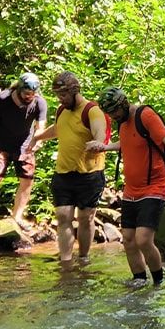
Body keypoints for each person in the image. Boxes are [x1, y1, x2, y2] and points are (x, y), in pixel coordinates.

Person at [87, 87, 165, 285]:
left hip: (154, 187)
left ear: (124, 104)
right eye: (109, 114)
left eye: (115, 112)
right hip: (131, 190)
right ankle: (139, 280)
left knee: (143, 239)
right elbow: (127, 142)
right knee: (128, 239)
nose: (113, 116)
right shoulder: (123, 122)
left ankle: (158, 281)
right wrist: (105, 147)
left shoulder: (145, 115)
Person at [30, 72, 107, 267]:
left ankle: (83, 257)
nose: (60, 99)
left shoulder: (92, 111)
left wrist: (97, 142)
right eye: (58, 96)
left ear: (74, 92)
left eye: (63, 95)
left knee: (85, 218)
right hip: (64, 173)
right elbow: (57, 130)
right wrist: (36, 137)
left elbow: (100, 131)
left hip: (89, 174)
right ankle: (65, 261)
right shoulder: (62, 110)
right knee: (63, 216)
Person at [0, 72, 48, 230]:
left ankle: (17, 216)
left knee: (27, 180)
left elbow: (41, 126)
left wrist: (38, 141)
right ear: (18, 89)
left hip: (25, 145)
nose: (29, 97)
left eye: (32, 94)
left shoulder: (39, 103)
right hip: (1, 143)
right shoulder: (3, 99)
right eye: (26, 93)